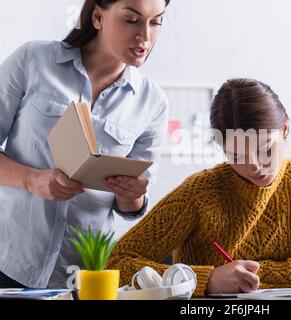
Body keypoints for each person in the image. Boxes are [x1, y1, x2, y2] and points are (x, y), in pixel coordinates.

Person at [0, 0, 170, 289]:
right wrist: (33, 181)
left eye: (156, 22)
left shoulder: (152, 103)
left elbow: (130, 207)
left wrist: (133, 193)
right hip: (8, 259)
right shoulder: (33, 60)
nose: (145, 36)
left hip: (81, 277)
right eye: (131, 20)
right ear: (98, 17)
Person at [108, 78, 291, 297]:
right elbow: (116, 263)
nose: (255, 166)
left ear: (285, 130)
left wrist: (252, 276)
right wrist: (206, 280)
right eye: (237, 156)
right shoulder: (200, 193)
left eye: (266, 150)